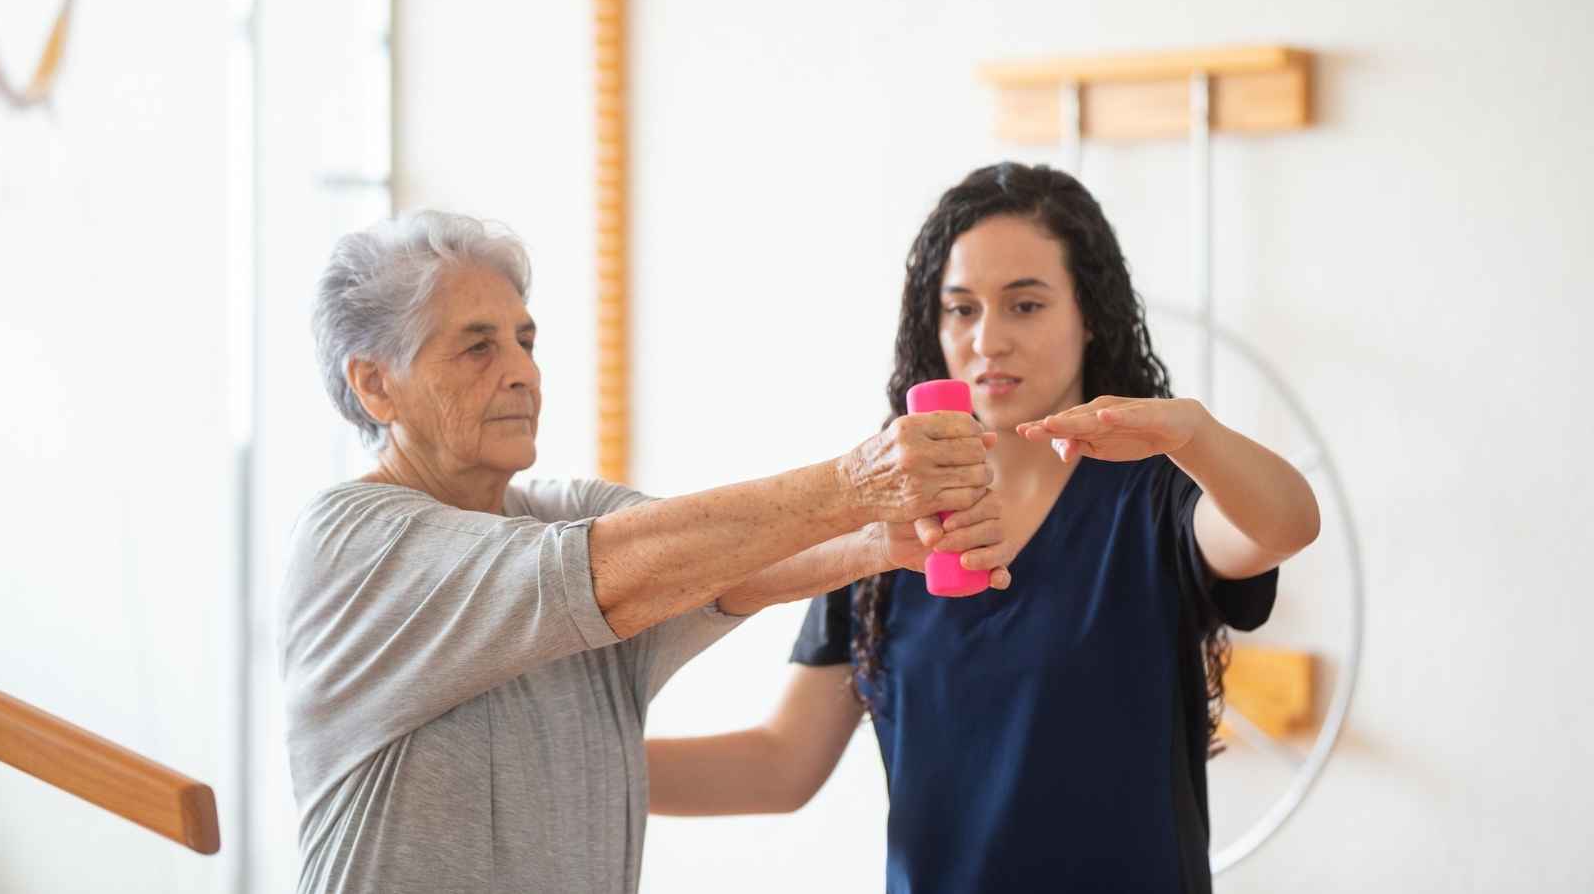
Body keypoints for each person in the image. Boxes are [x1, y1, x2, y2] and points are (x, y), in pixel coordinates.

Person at [278, 210, 1013, 894]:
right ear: (376, 385)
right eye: (478, 346)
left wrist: (877, 541)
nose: (523, 373)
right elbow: (599, 574)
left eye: (525, 342)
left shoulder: (568, 513)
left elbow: (715, 566)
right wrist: (856, 486)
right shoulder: (350, 543)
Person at [646, 162, 1321, 894]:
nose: (987, 340)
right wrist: (576, 759)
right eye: (961, 309)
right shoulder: (888, 529)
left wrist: (1192, 432)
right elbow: (780, 764)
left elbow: (1285, 524)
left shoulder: (1155, 499)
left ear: (1088, 314)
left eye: (1025, 306)